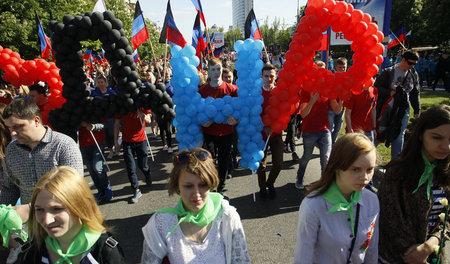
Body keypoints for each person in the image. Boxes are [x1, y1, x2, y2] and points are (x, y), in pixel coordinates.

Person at [141, 148, 251, 263]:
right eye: (188, 186)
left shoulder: (227, 217)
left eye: (203, 185)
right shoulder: (161, 223)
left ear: (211, 183)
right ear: (177, 186)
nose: (196, 194)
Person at [377, 105, 450, 263]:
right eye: (437, 138)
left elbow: (446, 219)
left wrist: (429, 246)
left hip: (432, 256)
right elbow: (389, 222)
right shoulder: (398, 172)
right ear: (420, 135)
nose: (446, 146)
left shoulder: (445, 171)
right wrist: (416, 254)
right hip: (397, 258)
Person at [294, 133, 379, 263]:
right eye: (356, 169)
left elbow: (372, 250)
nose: (365, 177)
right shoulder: (313, 205)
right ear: (338, 167)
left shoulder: (372, 201)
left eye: (370, 169)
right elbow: (303, 257)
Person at [20, 166, 125, 263]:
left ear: (81, 207)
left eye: (57, 209)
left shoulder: (105, 251)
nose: (47, 220)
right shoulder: (32, 252)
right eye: (39, 210)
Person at [0, 99, 83, 205]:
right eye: (9, 128)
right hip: (30, 219)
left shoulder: (63, 145)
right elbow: (10, 188)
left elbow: (74, 186)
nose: (12, 133)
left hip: (63, 215)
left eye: (18, 126)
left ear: (36, 121)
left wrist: (40, 208)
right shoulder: (11, 150)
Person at [296, 60, 341, 189]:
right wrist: (312, 101)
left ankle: (324, 184)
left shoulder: (328, 89)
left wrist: (342, 99)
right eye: (318, 70)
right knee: (306, 156)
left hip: (325, 129)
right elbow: (303, 114)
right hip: (309, 131)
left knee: (325, 158)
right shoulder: (306, 90)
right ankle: (299, 177)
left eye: (323, 71)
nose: (321, 74)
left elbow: (337, 110)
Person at [199, 58, 238, 194]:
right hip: (209, 132)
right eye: (213, 70)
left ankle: (221, 186)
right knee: (208, 160)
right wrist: (202, 121)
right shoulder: (203, 91)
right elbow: (197, 111)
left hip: (226, 132)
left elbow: (241, 109)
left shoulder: (232, 89)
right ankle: (210, 184)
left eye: (218, 69)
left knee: (223, 160)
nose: (216, 72)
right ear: (208, 72)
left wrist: (236, 120)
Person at [375, 50, 421, 158]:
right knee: (380, 131)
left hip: (403, 109)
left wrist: (417, 109)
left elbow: (415, 92)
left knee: (399, 134)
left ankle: (395, 162)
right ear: (403, 59)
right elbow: (377, 87)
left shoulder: (413, 74)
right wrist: (389, 92)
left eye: (414, 64)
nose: (412, 66)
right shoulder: (389, 72)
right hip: (387, 108)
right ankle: (367, 154)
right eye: (410, 63)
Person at [114, 108, 152, 203]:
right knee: (130, 167)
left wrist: (141, 114)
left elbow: (149, 120)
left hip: (141, 141)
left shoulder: (141, 105)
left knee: (143, 165)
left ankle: (147, 175)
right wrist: (115, 142)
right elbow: (117, 124)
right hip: (127, 142)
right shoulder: (122, 105)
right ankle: (136, 190)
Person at [258, 64, 284, 200]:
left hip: (276, 133)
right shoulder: (257, 93)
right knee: (260, 165)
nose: (269, 79)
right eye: (266, 76)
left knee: (278, 163)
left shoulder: (280, 92)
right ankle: (262, 188)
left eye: (272, 76)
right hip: (261, 135)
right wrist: (263, 126)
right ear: (262, 77)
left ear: (276, 76)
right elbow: (253, 114)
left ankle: (270, 183)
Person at [328, 57, 347, 145]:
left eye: (344, 67)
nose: (342, 69)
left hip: (342, 107)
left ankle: (333, 144)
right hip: (331, 107)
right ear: (335, 67)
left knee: (338, 128)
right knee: (330, 127)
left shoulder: (347, 78)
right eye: (340, 67)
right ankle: (327, 145)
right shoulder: (331, 77)